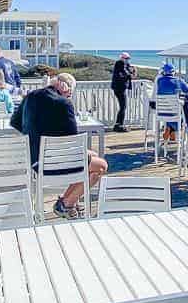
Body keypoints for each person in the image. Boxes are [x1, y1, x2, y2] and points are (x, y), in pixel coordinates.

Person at [20, 72, 108, 218]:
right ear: (66, 89)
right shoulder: (64, 104)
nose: (70, 97)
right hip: (56, 162)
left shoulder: (31, 98)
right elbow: (73, 141)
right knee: (101, 166)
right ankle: (67, 204)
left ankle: (66, 202)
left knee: (93, 156)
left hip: (36, 160)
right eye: (70, 94)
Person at [154, 63, 188, 143]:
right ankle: (174, 131)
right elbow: (187, 90)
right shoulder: (178, 81)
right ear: (173, 72)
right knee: (185, 115)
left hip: (161, 113)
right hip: (174, 113)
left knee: (173, 112)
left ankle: (170, 128)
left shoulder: (159, 81)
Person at [110, 52, 136, 133]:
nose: (128, 60)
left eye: (128, 59)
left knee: (123, 107)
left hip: (120, 88)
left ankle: (118, 125)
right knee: (123, 107)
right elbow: (125, 74)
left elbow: (128, 73)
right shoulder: (119, 64)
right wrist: (132, 73)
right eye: (126, 59)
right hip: (119, 88)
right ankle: (118, 125)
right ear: (122, 58)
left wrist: (131, 71)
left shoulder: (123, 64)